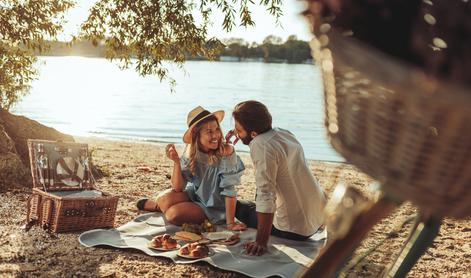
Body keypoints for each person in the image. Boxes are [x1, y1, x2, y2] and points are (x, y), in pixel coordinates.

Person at [225, 100, 327, 255]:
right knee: (252, 202)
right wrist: (241, 132)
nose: (236, 133)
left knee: (237, 207)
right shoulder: (283, 133)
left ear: (253, 133)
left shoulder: (261, 146)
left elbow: (266, 195)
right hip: (318, 217)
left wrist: (261, 241)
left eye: (239, 130)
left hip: (294, 229)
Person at [137, 106, 246, 231]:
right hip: (195, 195)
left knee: (173, 214)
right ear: (196, 134)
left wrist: (230, 223)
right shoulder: (191, 152)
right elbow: (178, 187)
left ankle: (164, 207)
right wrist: (176, 162)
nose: (216, 135)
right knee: (163, 199)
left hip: (214, 206)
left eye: (217, 129)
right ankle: (159, 205)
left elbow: (230, 190)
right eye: (209, 131)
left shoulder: (226, 151)